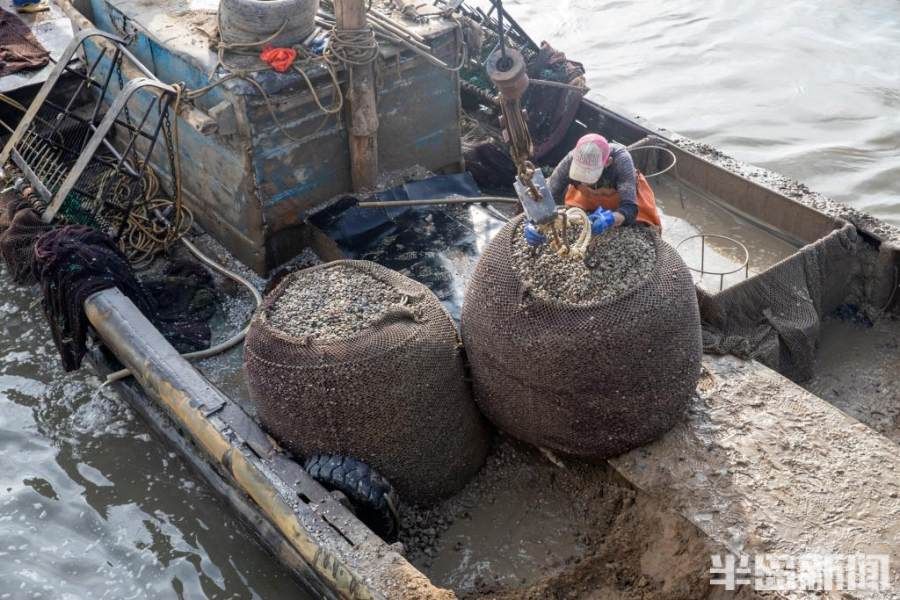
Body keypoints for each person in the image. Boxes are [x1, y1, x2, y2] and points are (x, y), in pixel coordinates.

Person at [524, 134, 661, 245]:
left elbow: (630, 208)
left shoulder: (621, 161)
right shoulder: (571, 159)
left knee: (644, 231)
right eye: (580, 174)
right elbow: (547, 194)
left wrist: (611, 218)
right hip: (585, 198)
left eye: (589, 175)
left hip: (623, 199)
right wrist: (531, 222)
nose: (584, 181)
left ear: (607, 163)